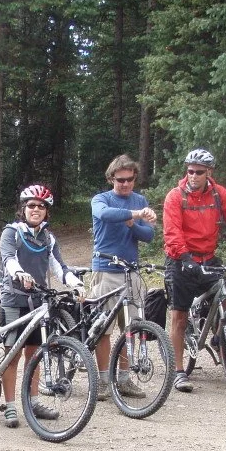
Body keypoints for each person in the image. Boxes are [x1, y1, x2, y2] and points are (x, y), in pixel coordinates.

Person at [163, 148, 226, 393]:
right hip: (181, 259)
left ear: (209, 172)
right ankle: (178, 372)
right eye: (190, 171)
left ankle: (220, 337)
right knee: (179, 316)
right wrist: (185, 258)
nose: (193, 176)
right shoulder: (175, 197)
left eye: (199, 172)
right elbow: (172, 231)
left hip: (209, 257)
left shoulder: (219, 195)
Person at [0, 185, 84, 428]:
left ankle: (33, 402)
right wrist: (20, 273)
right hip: (13, 299)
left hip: (38, 302)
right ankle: (11, 406)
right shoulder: (11, 232)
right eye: (31, 205)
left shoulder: (48, 238)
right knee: (12, 354)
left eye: (41, 206)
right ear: (23, 208)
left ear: (47, 211)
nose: (36, 209)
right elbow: (9, 259)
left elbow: (59, 267)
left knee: (34, 354)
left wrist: (76, 284)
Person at [90, 154, 158, 398]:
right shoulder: (101, 199)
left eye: (129, 179)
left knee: (130, 327)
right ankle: (103, 380)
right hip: (105, 270)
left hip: (131, 271)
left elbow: (148, 236)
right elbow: (106, 215)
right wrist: (137, 214)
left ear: (135, 178)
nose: (125, 184)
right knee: (103, 329)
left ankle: (124, 379)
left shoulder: (139, 200)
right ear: (111, 178)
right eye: (120, 180)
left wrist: (134, 224)